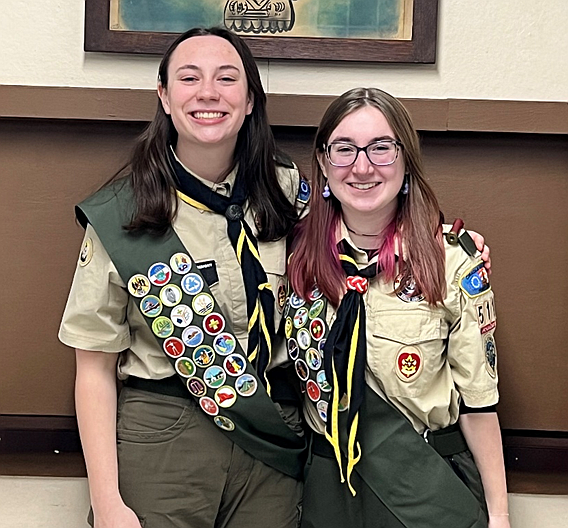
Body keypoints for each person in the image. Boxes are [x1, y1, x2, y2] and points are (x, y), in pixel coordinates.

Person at [58, 27, 308, 528]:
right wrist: (107, 502)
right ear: (165, 97)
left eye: (227, 78)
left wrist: (447, 246)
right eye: (189, 78)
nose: (208, 93)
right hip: (164, 435)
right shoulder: (126, 212)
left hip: (272, 434)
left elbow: (357, 248)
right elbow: (93, 370)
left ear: (251, 98)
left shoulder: (287, 189)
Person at [286, 88, 509, 528]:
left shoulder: (451, 262)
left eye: (381, 148)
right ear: (324, 163)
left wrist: (499, 516)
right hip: (329, 486)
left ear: (406, 161)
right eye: (344, 149)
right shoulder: (291, 258)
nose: (362, 166)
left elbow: (478, 405)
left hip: (425, 481)